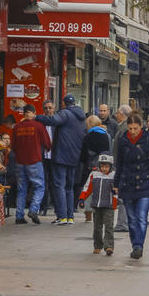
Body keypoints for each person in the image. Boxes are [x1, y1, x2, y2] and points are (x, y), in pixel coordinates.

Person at [114, 113, 149, 259]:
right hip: (127, 183)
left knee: (141, 217)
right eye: (130, 128)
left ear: (141, 126)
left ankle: (138, 246)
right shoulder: (123, 139)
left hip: (145, 182)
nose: (132, 131)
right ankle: (135, 244)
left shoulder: (148, 139)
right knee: (131, 219)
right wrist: (116, 184)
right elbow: (119, 163)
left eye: (135, 128)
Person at [36, 94, 86, 225]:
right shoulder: (81, 117)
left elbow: (53, 121)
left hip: (61, 156)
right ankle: (69, 217)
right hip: (74, 156)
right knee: (69, 187)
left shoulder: (65, 113)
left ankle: (62, 216)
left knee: (59, 186)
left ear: (63, 104)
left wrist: (36, 117)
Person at [10, 104, 51, 224]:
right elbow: (47, 143)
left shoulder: (17, 127)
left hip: (20, 161)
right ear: (33, 113)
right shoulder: (38, 126)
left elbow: (13, 146)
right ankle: (33, 209)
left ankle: (19, 216)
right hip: (34, 160)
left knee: (21, 189)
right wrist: (47, 148)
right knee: (39, 186)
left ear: (24, 113)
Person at [79, 153, 117, 256]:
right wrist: (82, 198)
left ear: (110, 166)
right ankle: (97, 246)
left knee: (109, 227)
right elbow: (87, 188)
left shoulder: (113, 176)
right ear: (99, 166)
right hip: (96, 205)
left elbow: (116, 191)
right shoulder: (94, 175)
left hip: (108, 206)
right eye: (102, 166)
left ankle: (109, 246)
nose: (104, 169)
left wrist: (115, 202)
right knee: (97, 227)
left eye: (106, 166)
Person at [80, 115, 112, 222]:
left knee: (89, 187)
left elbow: (84, 154)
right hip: (105, 164)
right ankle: (102, 211)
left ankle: (88, 213)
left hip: (91, 165)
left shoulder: (88, 136)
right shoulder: (106, 135)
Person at [39, 100, 55, 215]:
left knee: (55, 182)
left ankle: (55, 206)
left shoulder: (57, 122)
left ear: (53, 108)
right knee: (43, 182)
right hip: (43, 156)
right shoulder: (40, 122)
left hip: (55, 156)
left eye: (50, 108)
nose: (48, 110)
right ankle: (43, 206)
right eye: (46, 108)